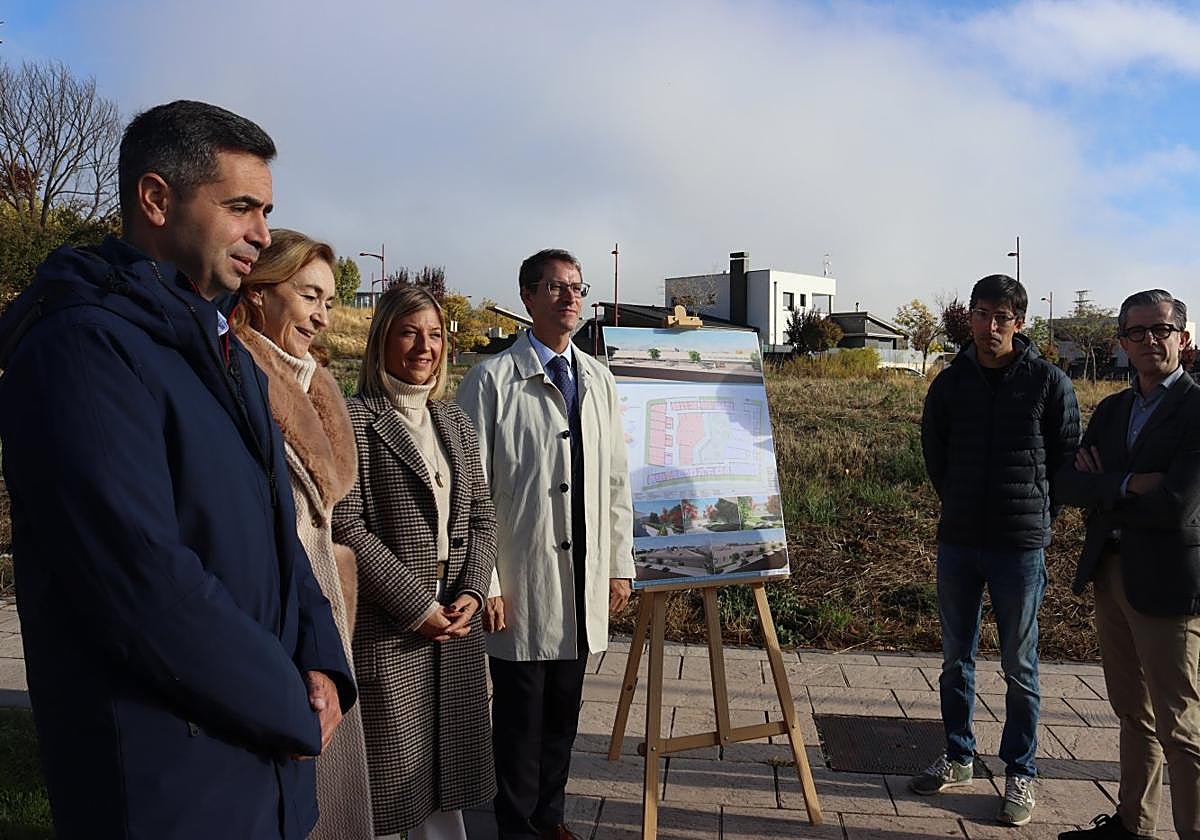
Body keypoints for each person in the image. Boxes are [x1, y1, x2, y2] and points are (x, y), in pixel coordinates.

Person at [0, 100, 355, 839]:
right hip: (169, 779)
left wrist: (322, 662)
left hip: (264, 760)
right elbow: (138, 578)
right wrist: (286, 701)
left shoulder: (223, 349)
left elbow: (275, 532)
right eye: (240, 207)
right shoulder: (84, 350)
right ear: (156, 200)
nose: (262, 232)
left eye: (267, 210)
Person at [457, 248, 634, 840]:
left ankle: (551, 816)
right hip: (521, 577)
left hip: (582, 575)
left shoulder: (599, 379)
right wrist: (483, 582)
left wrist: (618, 565)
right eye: (555, 288)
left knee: (564, 709)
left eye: (577, 288)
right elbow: (470, 489)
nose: (569, 298)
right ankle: (516, 825)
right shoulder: (490, 381)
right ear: (528, 298)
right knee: (518, 714)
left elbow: (614, 481)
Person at [913, 274, 1080, 827]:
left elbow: (1066, 457)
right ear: (970, 318)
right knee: (955, 660)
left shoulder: (1047, 382)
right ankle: (959, 756)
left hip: (1019, 547)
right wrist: (959, 502)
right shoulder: (950, 382)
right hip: (959, 542)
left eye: (1001, 317)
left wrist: (1037, 514)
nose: (989, 327)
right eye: (981, 314)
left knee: (1020, 665)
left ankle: (1020, 772)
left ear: (1020, 322)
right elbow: (934, 452)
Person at [332, 285, 497, 840]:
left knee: (446, 785)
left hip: (456, 624)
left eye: (433, 334)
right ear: (382, 340)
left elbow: (481, 517)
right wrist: (415, 605)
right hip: (392, 627)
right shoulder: (355, 419)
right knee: (390, 782)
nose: (424, 346)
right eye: (409, 332)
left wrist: (473, 591)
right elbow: (347, 524)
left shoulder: (455, 422)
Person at [233, 229, 373, 838]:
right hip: (275, 613)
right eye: (308, 295)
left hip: (326, 612)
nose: (321, 315)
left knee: (334, 797)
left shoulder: (318, 386)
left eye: (328, 300)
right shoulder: (236, 374)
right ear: (261, 292)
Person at [1055, 290, 1200, 840]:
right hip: (1110, 570)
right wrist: (1124, 482)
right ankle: (1131, 825)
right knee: (1130, 710)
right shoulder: (1114, 409)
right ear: (1122, 342)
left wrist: (1104, 486)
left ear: (1183, 339)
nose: (1149, 341)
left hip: (1167, 580)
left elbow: (1177, 504)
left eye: (1161, 330)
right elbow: (1070, 482)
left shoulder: (1195, 409)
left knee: (1179, 722)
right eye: (1136, 332)